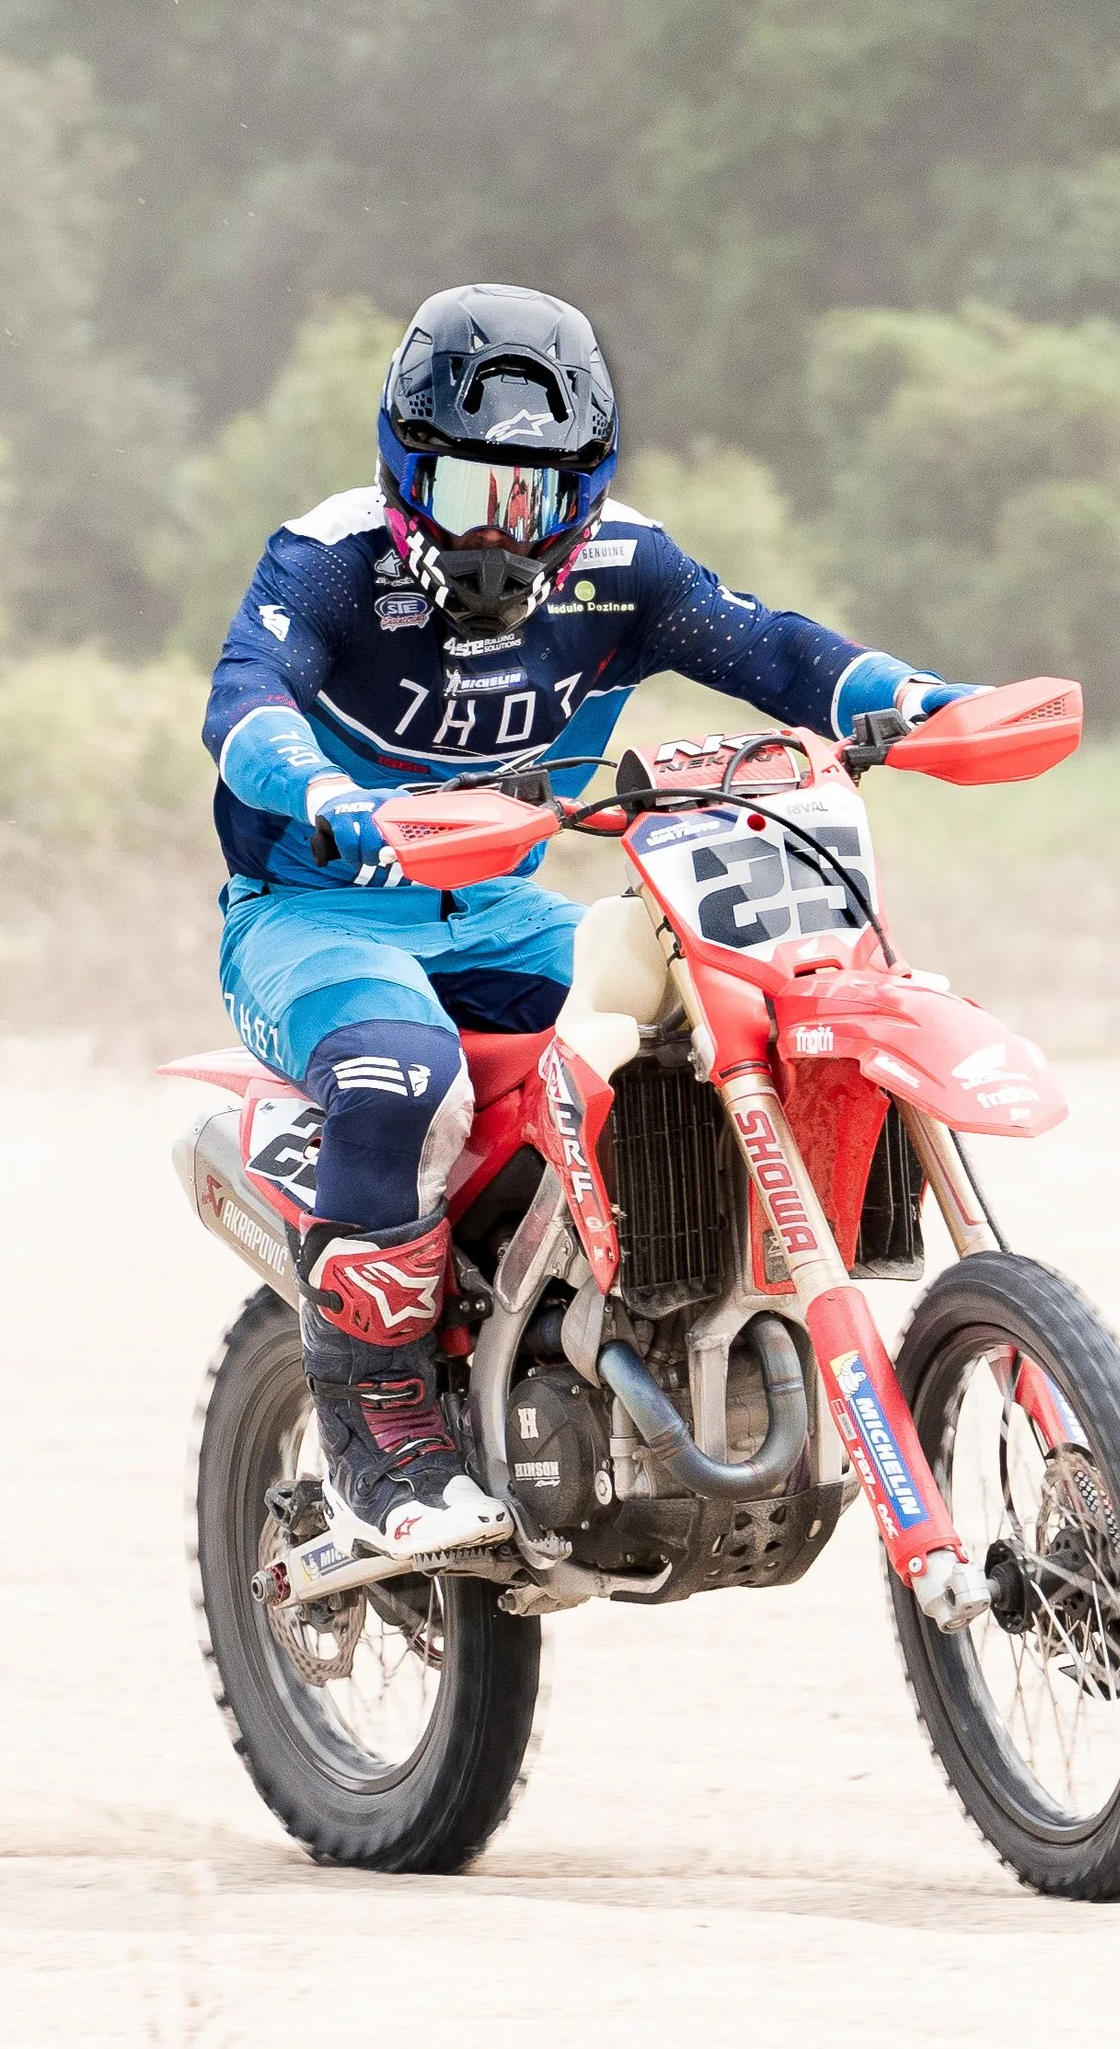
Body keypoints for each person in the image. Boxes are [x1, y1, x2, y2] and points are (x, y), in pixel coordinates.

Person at [204, 282, 985, 1564]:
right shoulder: (328, 560)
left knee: (713, 1005)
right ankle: (377, 1429)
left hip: (506, 906)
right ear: (404, 469)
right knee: (401, 1071)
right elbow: (244, 700)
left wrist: (919, 699)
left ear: (588, 488)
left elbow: (772, 649)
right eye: (468, 494)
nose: (500, 534)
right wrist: (328, 794)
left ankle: (635, 1302)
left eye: (538, 496)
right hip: (311, 912)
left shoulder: (628, 566)